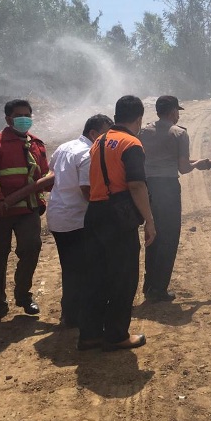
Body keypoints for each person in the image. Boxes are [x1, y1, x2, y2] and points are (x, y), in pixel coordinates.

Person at [78, 95, 155, 351]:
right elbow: (136, 184)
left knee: (95, 276)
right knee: (123, 277)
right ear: (139, 118)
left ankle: (89, 334)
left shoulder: (99, 141)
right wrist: (150, 221)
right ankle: (116, 334)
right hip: (117, 216)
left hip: (95, 213)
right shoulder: (131, 143)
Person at [0, 99, 50, 321]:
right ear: (8, 119)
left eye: (27, 114)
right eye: (19, 115)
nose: (24, 119)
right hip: (1, 212)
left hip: (27, 210)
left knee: (32, 248)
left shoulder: (37, 144)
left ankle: (23, 295)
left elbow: (44, 175)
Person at [46, 114, 113, 327]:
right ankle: (79, 315)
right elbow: (87, 191)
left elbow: (52, 169)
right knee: (85, 268)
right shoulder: (88, 154)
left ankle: (70, 313)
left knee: (70, 266)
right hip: (76, 219)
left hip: (58, 215)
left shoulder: (65, 147)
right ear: (93, 133)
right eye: (105, 133)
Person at [139, 96, 208, 302]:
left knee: (152, 233)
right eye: (177, 112)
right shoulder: (179, 134)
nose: (178, 115)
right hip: (167, 188)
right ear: (172, 112)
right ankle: (159, 288)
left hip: (147, 188)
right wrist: (199, 163)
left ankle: (149, 284)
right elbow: (184, 167)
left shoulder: (143, 131)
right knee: (169, 237)